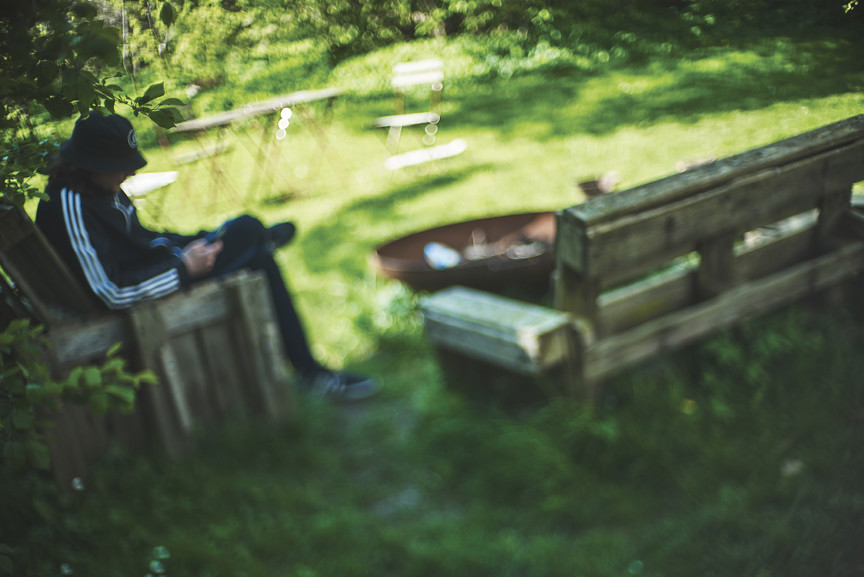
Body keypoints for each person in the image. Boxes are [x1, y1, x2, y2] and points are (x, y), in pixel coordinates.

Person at [36, 112, 378, 401]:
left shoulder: (98, 188)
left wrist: (190, 245)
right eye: (119, 166)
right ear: (90, 163)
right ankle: (310, 371)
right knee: (250, 239)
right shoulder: (70, 205)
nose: (131, 173)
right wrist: (183, 268)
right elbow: (110, 292)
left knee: (246, 238)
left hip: (157, 269)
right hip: (143, 296)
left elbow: (139, 241)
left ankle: (308, 367)